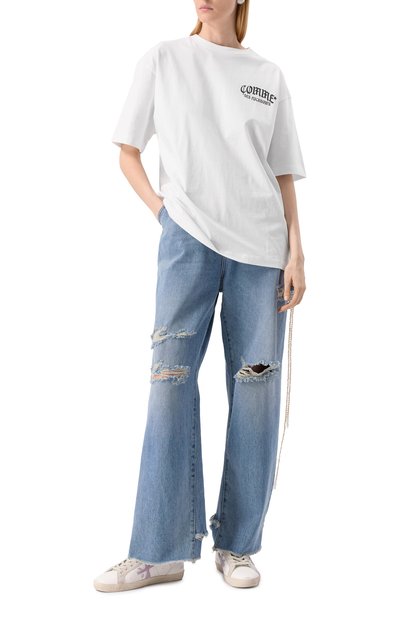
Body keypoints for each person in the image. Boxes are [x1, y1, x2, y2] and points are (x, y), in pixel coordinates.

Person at [94, 0, 306, 592]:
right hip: (186, 241)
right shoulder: (165, 59)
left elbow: (282, 173)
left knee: (256, 393)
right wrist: (165, 214)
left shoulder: (267, 75)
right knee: (169, 382)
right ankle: (157, 550)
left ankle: (237, 545)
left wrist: (296, 252)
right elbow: (127, 151)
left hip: (261, 252)